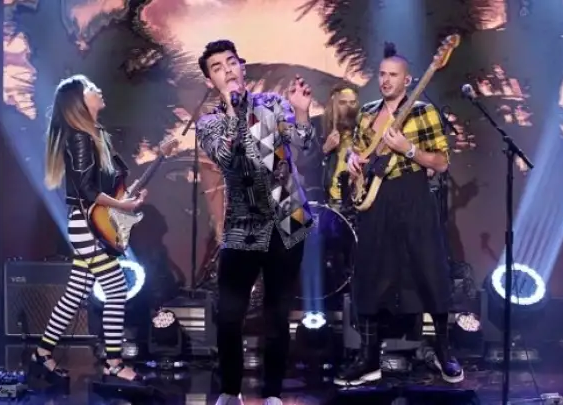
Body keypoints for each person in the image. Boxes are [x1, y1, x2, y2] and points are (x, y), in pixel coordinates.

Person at [336, 43, 464, 385]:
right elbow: (357, 153)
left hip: (413, 195)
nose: (385, 80)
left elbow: (441, 162)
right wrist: (353, 161)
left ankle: (444, 353)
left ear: (407, 80)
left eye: (393, 75)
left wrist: (407, 149)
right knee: (370, 274)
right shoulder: (367, 113)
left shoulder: (423, 112)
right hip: (377, 201)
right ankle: (368, 358)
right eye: (382, 74)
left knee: (429, 271)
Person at [195, 39, 315, 405]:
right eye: (218, 68)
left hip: (287, 216)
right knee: (230, 316)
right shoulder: (209, 123)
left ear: (242, 67)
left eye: (231, 62)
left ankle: (273, 393)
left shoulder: (272, 104)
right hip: (243, 225)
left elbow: (303, 144)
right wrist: (235, 112)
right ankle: (230, 391)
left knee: (277, 313)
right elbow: (228, 158)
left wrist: (302, 114)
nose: (228, 70)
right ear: (210, 81)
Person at [37, 74, 150, 385]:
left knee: (75, 293)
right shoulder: (80, 138)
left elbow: (104, 189)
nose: (97, 89)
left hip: (87, 224)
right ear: (80, 102)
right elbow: (87, 191)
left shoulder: (95, 136)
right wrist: (123, 205)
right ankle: (113, 364)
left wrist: (129, 199)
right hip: (86, 225)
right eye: (89, 88)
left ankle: (42, 354)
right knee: (116, 288)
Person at [320, 83, 360, 207]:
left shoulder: (363, 130)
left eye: (352, 103)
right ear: (333, 106)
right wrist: (325, 149)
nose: (348, 108)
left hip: (357, 202)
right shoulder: (319, 129)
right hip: (331, 203)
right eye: (342, 103)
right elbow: (305, 168)